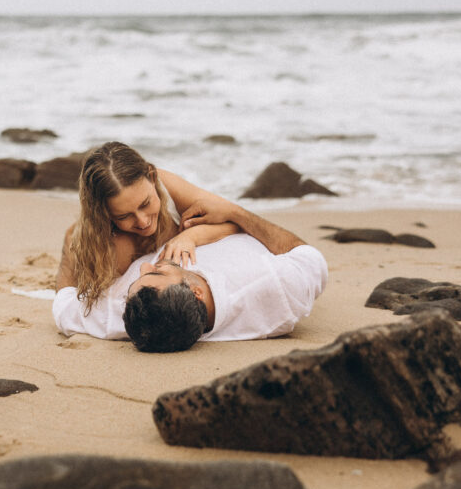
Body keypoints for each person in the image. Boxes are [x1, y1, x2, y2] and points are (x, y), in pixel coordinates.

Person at [53, 208, 327, 352]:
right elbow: (308, 254)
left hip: (164, 231)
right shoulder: (277, 286)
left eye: (142, 277)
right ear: (196, 292)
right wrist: (236, 214)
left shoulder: (127, 316)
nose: (146, 267)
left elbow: (64, 307)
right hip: (228, 226)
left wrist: (68, 248)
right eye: (158, 273)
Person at [55, 141, 252, 315]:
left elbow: (237, 218)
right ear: (105, 214)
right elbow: (111, 312)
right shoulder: (117, 246)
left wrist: (191, 236)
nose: (142, 222)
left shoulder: (167, 186)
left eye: (145, 204)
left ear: (151, 176)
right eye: (124, 216)